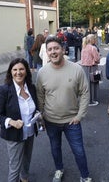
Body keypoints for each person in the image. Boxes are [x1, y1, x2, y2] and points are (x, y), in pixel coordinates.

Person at [36, 36, 92, 182]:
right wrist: (41, 115)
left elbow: (85, 93)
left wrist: (80, 115)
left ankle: (85, 176)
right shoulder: (42, 73)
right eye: (50, 49)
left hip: (72, 121)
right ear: (46, 52)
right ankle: (59, 170)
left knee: (79, 151)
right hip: (51, 121)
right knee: (55, 149)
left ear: (63, 49)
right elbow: (40, 96)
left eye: (56, 48)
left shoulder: (76, 69)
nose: (53, 52)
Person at [0, 58, 39, 182]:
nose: (18, 72)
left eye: (21, 69)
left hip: (29, 132)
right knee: (15, 167)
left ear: (26, 71)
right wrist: (12, 122)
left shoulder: (31, 88)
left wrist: (38, 116)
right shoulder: (3, 90)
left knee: (27, 159)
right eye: (14, 70)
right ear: (10, 72)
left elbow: (35, 107)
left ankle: (24, 179)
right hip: (14, 134)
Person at [81, 34, 100, 106]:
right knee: (93, 83)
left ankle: (87, 100)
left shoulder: (84, 47)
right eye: (94, 39)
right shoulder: (93, 48)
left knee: (86, 84)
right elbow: (97, 59)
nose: (95, 40)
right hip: (92, 67)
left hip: (84, 67)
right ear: (91, 40)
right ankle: (92, 100)